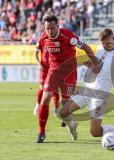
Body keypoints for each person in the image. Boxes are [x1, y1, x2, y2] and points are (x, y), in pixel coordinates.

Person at [59, 28, 114, 140]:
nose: (105, 45)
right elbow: (97, 64)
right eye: (103, 43)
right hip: (87, 89)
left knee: (95, 132)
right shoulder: (100, 49)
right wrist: (89, 63)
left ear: (113, 38)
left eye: (107, 43)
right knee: (63, 112)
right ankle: (73, 124)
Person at [35, 15, 101, 143]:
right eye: (47, 28)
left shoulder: (68, 37)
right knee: (45, 98)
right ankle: (41, 132)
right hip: (53, 72)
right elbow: (38, 51)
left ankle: (72, 126)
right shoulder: (43, 37)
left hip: (69, 73)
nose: (49, 31)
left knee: (64, 108)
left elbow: (86, 47)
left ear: (58, 27)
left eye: (52, 28)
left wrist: (95, 63)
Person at [33, 43, 60, 117]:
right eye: (48, 30)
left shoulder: (58, 39)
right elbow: (35, 54)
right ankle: (37, 105)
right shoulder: (42, 39)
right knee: (42, 88)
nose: (49, 31)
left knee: (56, 88)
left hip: (55, 68)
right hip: (44, 68)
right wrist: (39, 64)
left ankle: (56, 109)